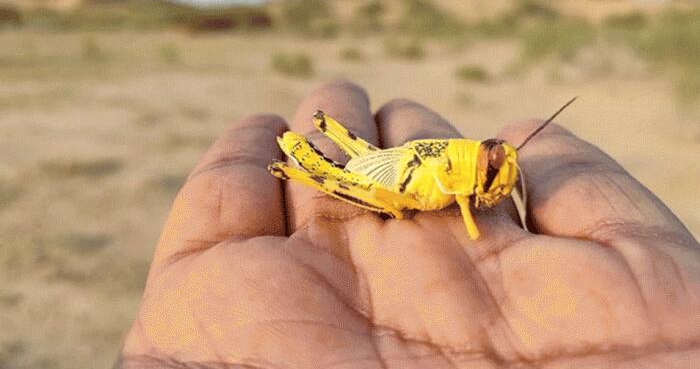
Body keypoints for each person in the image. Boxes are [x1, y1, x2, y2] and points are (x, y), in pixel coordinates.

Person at [119, 82, 700, 368]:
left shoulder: (473, 165)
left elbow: (478, 178)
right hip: (380, 180)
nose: (501, 172)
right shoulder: (457, 183)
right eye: (494, 164)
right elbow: (443, 198)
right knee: (382, 199)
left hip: (411, 166)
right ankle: (310, 161)